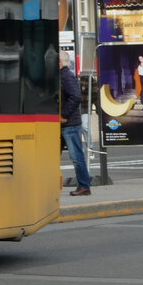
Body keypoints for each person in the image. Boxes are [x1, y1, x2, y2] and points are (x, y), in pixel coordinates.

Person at [60, 52, 90, 196]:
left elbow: (75, 96)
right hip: (63, 124)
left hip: (69, 124)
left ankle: (84, 185)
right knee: (54, 156)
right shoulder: (63, 75)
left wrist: (63, 114)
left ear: (60, 62)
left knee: (76, 156)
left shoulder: (66, 76)